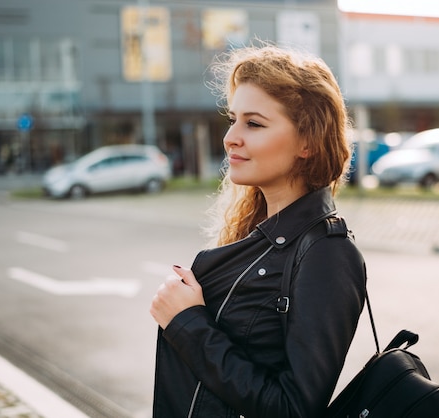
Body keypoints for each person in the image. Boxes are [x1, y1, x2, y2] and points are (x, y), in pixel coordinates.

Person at [150, 43, 367, 418]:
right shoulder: (257, 232)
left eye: (253, 123)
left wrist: (186, 323)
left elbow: (293, 409)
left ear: (307, 142)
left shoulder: (328, 255)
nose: (231, 137)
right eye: (233, 119)